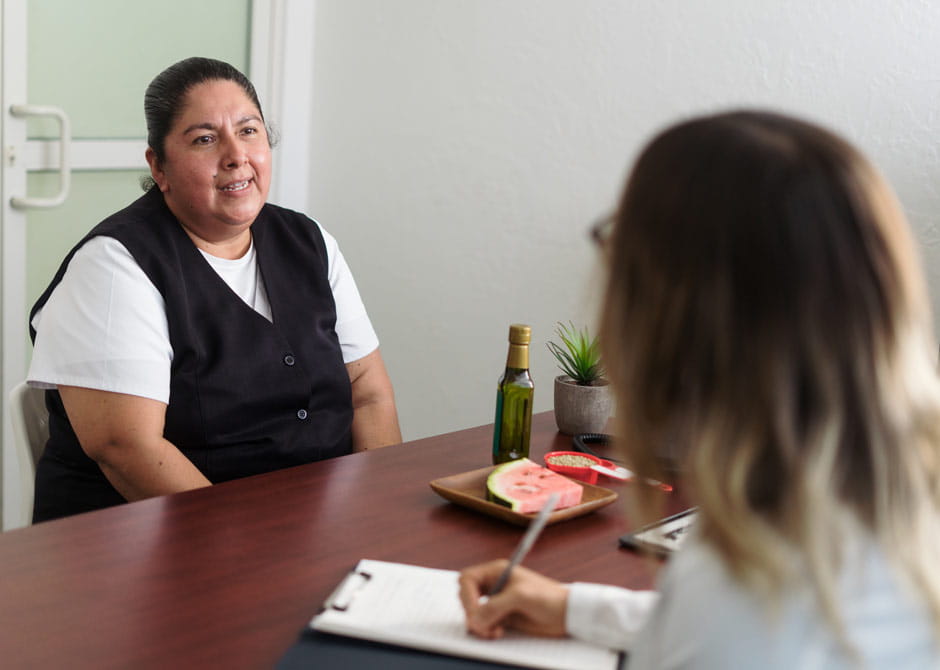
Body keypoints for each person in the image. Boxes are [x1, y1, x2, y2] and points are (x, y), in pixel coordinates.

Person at [459, 110, 940, 667]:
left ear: (679, 320)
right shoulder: (874, 514)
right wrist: (573, 608)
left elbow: (731, 633)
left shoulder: (741, 605)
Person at [28, 57, 402, 523]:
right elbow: (127, 448)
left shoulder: (308, 242)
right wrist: (257, 551)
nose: (235, 155)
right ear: (158, 166)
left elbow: (368, 391)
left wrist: (376, 512)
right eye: (205, 139)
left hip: (311, 530)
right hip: (154, 548)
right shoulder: (114, 265)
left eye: (249, 131)